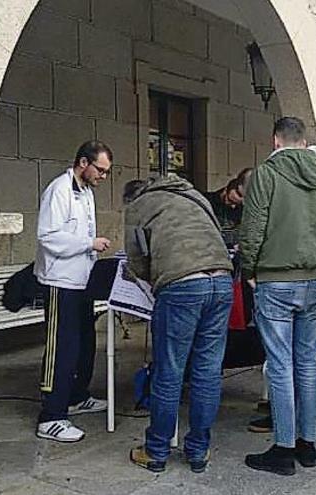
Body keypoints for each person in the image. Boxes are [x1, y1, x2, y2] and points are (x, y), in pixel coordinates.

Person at [123, 175, 234, 474]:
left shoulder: (139, 205)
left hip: (182, 284)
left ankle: (156, 450)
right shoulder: (195, 195)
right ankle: (198, 450)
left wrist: (152, 278)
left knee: (169, 371)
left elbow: (136, 260)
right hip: (222, 280)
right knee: (208, 372)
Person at [241, 117, 316, 476]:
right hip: (315, 277)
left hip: (277, 278)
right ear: (304, 141)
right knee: (307, 362)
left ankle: (283, 448)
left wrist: (249, 268)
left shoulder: (267, 173)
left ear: (275, 140)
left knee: (280, 365)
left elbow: (253, 226)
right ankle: (307, 444)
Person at [33, 140, 113, 442]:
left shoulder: (87, 192)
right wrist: (88, 244)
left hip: (82, 280)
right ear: (83, 162)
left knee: (84, 343)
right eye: (100, 170)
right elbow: (48, 236)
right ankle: (51, 416)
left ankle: (77, 396)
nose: (102, 177)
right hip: (59, 282)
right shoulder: (59, 190)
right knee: (62, 349)